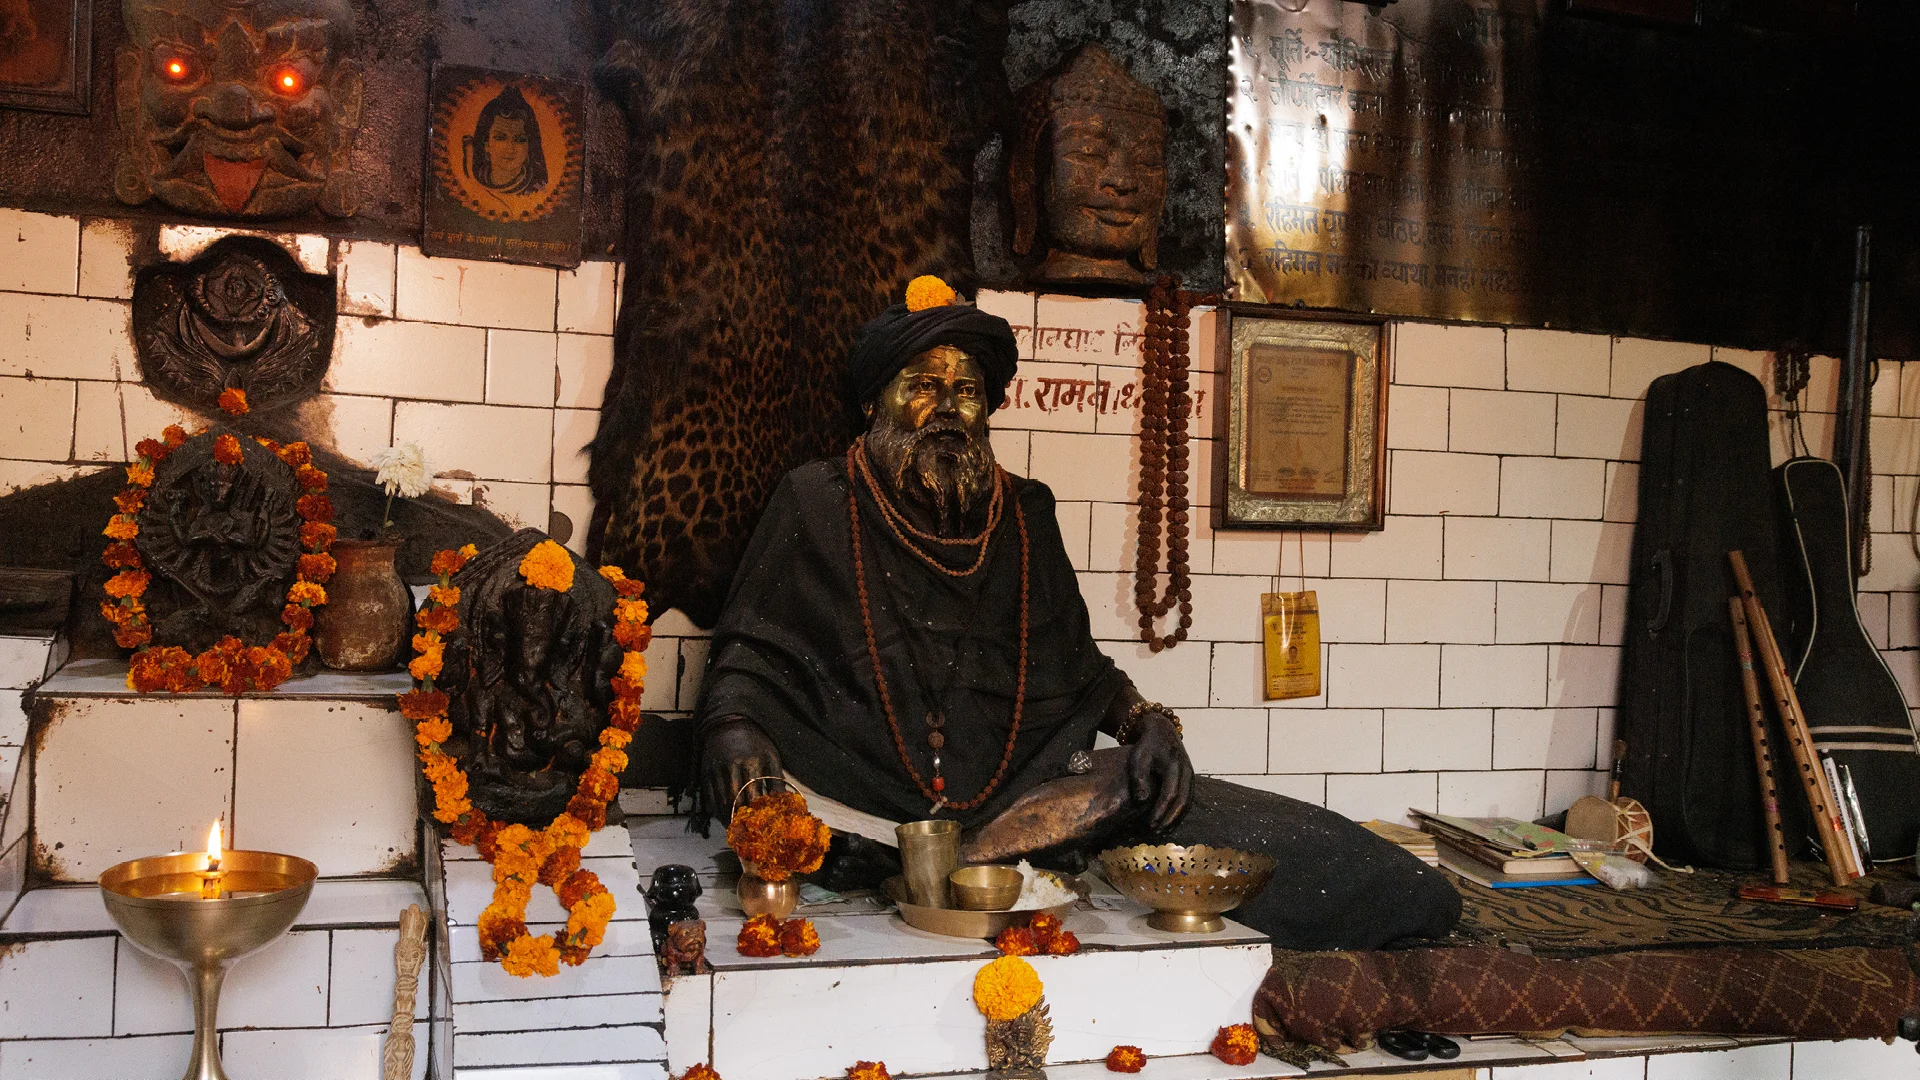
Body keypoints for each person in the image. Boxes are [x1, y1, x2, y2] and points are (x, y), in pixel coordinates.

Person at [693, 278, 1460, 949]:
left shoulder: (1023, 512)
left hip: (1017, 796)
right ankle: (929, 855)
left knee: (1225, 816)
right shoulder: (817, 500)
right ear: (872, 401)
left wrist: (1147, 722)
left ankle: (1408, 908)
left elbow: (1077, 670)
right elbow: (749, 656)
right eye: (921, 384)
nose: (947, 408)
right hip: (855, 799)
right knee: (784, 814)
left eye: (966, 391)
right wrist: (735, 730)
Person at [467, 86, 547, 201]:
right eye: (500, 138)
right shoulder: (471, 183)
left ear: (529, 145)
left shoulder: (537, 191)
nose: (510, 148)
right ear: (486, 144)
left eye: (520, 140)